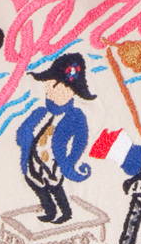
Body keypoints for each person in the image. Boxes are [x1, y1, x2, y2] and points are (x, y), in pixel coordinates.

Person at [15, 53, 95, 224]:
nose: (52, 90)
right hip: (33, 160)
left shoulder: (75, 116)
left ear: (72, 92)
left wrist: (71, 161)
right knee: (37, 184)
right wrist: (24, 139)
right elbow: (23, 131)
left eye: (62, 87)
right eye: (50, 84)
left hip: (55, 161)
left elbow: (80, 140)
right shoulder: (40, 112)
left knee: (55, 186)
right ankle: (50, 211)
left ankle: (65, 212)